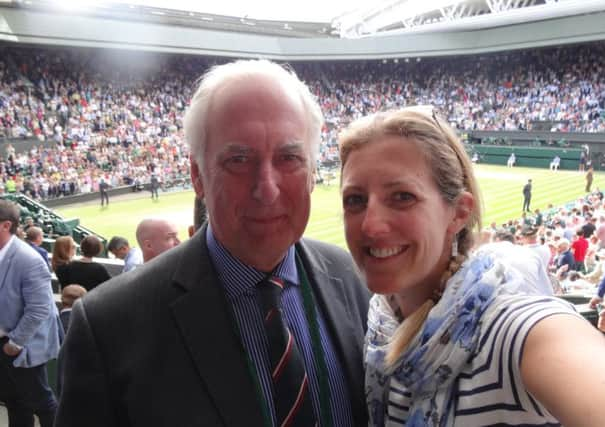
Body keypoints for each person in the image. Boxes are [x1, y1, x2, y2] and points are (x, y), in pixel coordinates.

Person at [55, 59, 370, 427]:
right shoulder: (108, 325)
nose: (267, 189)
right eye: (238, 159)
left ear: (313, 173)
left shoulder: (352, 277)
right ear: (197, 176)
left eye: (289, 158)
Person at [338, 105, 605, 426]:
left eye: (402, 196)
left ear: (458, 212)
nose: (370, 226)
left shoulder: (512, 329)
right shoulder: (379, 321)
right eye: (355, 200)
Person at [0, 199, 63, 427]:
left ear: (6, 225)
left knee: (42, 404)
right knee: (13, 401)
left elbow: (38, 309)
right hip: (4, 343)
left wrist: (14, 344)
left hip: (20, 344)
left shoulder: (28, 259)